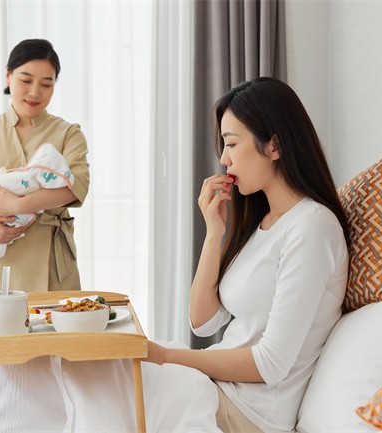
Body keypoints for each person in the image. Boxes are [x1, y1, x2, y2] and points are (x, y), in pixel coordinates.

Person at [145, 77, 350, 433]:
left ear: (274, 146)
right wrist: (214, 233)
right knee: (100, 372)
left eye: (231, 143)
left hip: (250, 413)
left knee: (109, 385)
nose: (223, 159)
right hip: (217, 389)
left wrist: (168, 357)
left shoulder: (311, 226)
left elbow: (271, 363)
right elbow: (202, 322)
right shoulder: (264, 222)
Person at [0, 39, 90, 303]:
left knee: (55, 328)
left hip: (51, 263)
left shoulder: (69, 133)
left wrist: (18, 205)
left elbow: (76, 187)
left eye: (46, 84)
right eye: (26, 80)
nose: (35, 92)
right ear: (8, 76)